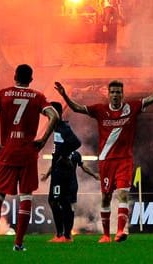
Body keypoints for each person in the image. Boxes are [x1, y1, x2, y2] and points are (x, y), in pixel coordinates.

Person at [54, 72, 153, 243]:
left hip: (124, 160)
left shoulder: (131, 108)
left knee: (123, 195)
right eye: (113, 92)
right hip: (106, 161)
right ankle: (105, 235)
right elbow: (77, 108)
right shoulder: (100, 110)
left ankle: (120, 231)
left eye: (119, 92)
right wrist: (64, 94)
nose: (116, 95)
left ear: (122, 94)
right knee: (106, 197)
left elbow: (152, 98)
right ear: (109, 94)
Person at [0, 64, 59, 252]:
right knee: (26, 196)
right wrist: (42, 139)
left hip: (7, 152)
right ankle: (18, 244)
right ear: (31, 79)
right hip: (27, 153)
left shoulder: (3, 94)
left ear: (14, 76)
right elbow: (54, 115)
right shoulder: (37, 96)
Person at [41, 102, 99, 243]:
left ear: (57, 113)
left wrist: (65, 157)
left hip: (63, 177)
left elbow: (76, 144)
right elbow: (58, 157)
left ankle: (63, 234)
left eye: (50, 112)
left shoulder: (62, 128)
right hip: (58, 174)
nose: (48, 116)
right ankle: (65, 235)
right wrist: (47, 174)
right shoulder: (56, 130)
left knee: (58, 202)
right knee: (60, 203)